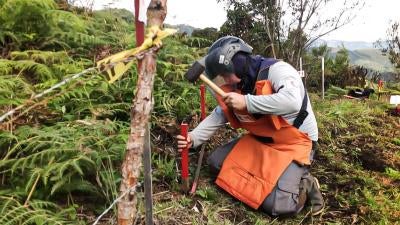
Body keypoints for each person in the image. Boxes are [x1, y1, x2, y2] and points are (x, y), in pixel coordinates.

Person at [177, 36, 324, 216]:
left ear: (236, 64)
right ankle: (268, 175)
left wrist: (247, 102)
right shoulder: (239, 83)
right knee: (216, 164)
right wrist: (193, 137)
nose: (223, 79)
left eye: (224, 73)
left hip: (295, 143)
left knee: (280, 206)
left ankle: (306, 182)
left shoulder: (278, 70)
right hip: (260, 139)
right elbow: (220, 113)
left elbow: (292, 102)